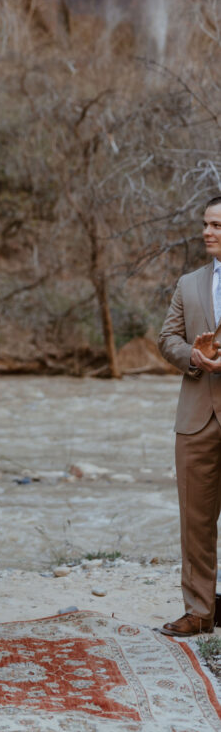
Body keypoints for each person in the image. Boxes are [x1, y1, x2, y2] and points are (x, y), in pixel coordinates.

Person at [158, 194, 221, 637]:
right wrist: (194, 357)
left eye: (216, 225)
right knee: (196, 520)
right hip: (197, 417)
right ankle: (199, 610)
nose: (207, 232)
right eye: (205, 224)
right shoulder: (189, 283)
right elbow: (167, 339)